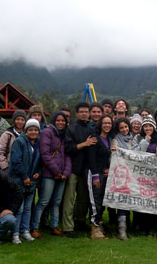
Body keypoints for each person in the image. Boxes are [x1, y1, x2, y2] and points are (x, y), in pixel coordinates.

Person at [31, 112, 71, 239]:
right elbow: (45, 154)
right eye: (58, 120)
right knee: (44, 201)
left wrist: (65, 173)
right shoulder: (47, 133)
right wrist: (56, 172)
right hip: (49, 173)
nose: (61, 123)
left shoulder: (65, 135)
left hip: (62, 174)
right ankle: (35, 227)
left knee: (57, 202)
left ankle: (55, 226)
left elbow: (68, 155)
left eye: (63, 120)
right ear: (54, 121)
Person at [62, 102, 97, 237]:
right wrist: (84, 144)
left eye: (86, 111)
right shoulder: (70, 128)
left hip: (85, 169)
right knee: (69, 199)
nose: (84, 114)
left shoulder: (90, 129)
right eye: (81, 111)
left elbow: (93, 148)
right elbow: (69, 148)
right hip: (72, 168)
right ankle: (68, 227)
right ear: (76, 113)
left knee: (83, 199)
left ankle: (80, 221)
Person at [8, 118, 42, 244]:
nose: (33, 132)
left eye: (35, 130)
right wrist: (24, 177)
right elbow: (16, 161)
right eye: (30, 130)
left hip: (31, 182)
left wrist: (39, 172)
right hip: (18, 180)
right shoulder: (19, 142)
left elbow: (39, 161)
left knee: (28, 208)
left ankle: (25, 231)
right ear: (26, 131)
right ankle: (15, 233)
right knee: (19, 208)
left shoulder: (38, 143)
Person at [132, 116, 157, 236]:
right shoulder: (138, 137)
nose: (147, 128)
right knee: (141, 200)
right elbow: (136, 152)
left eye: (150, 126)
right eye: (145, 126)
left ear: (154, 127)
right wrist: (146, 140)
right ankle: (141, 227)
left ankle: (151, 227)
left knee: (152, 200)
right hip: (141, 174)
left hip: (154, 175)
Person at [87, 115, 113, 239]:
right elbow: (91, 158)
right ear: (100, 125)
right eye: (105, 123)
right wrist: (95, 176)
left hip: (104, 173)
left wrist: (108, 168)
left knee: (102, 200)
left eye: (109, 123)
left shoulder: (109, 139)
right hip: (94, 173)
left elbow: (106, 157)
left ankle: (99, 224)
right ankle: (94, 227)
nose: (107, 125)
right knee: (95, 201)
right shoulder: (95, 138)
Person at [111, 117, 133, 240]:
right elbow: (114, 158)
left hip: (133, 176)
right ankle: (122, 230)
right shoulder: (115, 141)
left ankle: (128, 226)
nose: (124, 129)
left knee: (130, 201)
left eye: (126, 127)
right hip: (122, 175)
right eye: (121, 128)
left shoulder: (133, 139)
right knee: (122, 201)